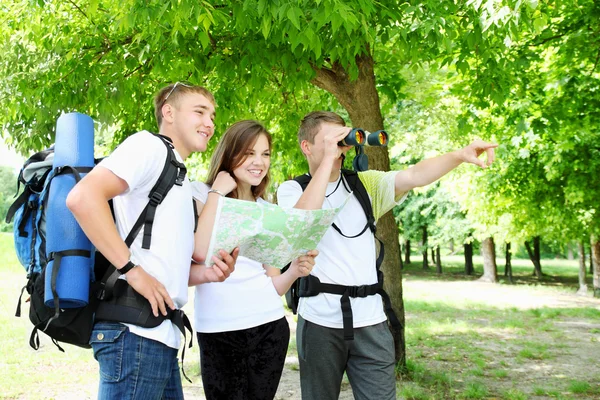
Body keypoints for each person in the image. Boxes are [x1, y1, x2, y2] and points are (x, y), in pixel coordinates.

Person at [276, 111, 497, 400]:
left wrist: (458, 155)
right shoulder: (293, 189)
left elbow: (415, 175)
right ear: (307, 146)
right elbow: (302, 224)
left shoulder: (364, 185)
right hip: (320, 321)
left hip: (371, 321)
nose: (341, 146)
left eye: (343, 138)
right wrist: (327, 162)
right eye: (332, 140)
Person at [66, 82, 238, 400]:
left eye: (213, 116)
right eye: (199, 112)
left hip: (158, 335)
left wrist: (208, 274)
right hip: (135, 335)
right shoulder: (149, 147)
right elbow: (82, 197)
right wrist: (131, 269)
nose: (210, 123)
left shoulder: (180, 177)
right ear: (168, 112)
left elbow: (166, 268)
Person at [191, 119, 318, 400]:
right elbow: (198, 251)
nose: (259, 162)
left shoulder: (266, 208)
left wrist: (295, 270)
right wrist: (217, 193)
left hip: (268, 326)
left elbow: (274, 284)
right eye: (249, 153)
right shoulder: (200, 194)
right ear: (229, 153)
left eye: (265, 154)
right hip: (218, 330)